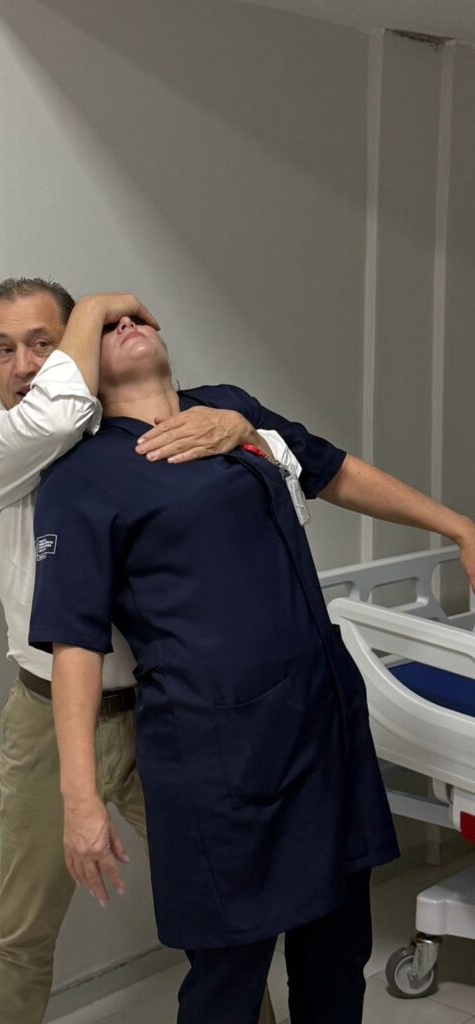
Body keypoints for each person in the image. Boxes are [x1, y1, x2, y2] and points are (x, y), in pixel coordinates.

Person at [28, 310, 475, 1023]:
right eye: (106, 326)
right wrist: (80, 798)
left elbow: (331, 468)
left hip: (321, 725)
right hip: (218, 756)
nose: (127, 323)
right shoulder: (83, 477)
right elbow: (73, 642)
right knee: (229, 975)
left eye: (136, 315)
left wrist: (458, 527)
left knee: (338, 956)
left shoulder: (228, 406)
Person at [0, 278, 295, 1024]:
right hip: (46, 724)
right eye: (4, 350)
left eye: (44, 343)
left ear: (74, 350)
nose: (24, 365)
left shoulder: (137, 438)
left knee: (225, 916)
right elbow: (58, 413)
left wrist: (239, 422)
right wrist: (103, 303)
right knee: (22, 931)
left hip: (160, 715)